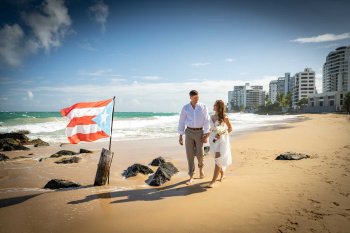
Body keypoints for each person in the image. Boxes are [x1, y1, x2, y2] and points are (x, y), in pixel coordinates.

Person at [178, 90, 211, 185]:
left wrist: (206, 133)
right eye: (195, 98)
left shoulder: (203, 106)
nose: (197, 99)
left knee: (200, 154)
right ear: (190, 97)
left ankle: (201, 169)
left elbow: (207, 120)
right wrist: (180, 135)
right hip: (189, 132)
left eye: (198, 97)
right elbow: (181, 121)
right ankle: (191, 176)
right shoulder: (185, 108)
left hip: (200, 132)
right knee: (189, 154)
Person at [207, 100, 233, 188]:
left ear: (219, 107)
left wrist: (221, 133)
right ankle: (222, 174)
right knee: (216, 159)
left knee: (218, 158)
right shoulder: (211, 117)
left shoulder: (224, 117)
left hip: (221, 140)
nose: (213, 106)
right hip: (213, 139)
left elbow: (230, 129)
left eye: (215, 105)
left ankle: (213, 181)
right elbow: (210, 129)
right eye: (214, 105)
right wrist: (206, 136)